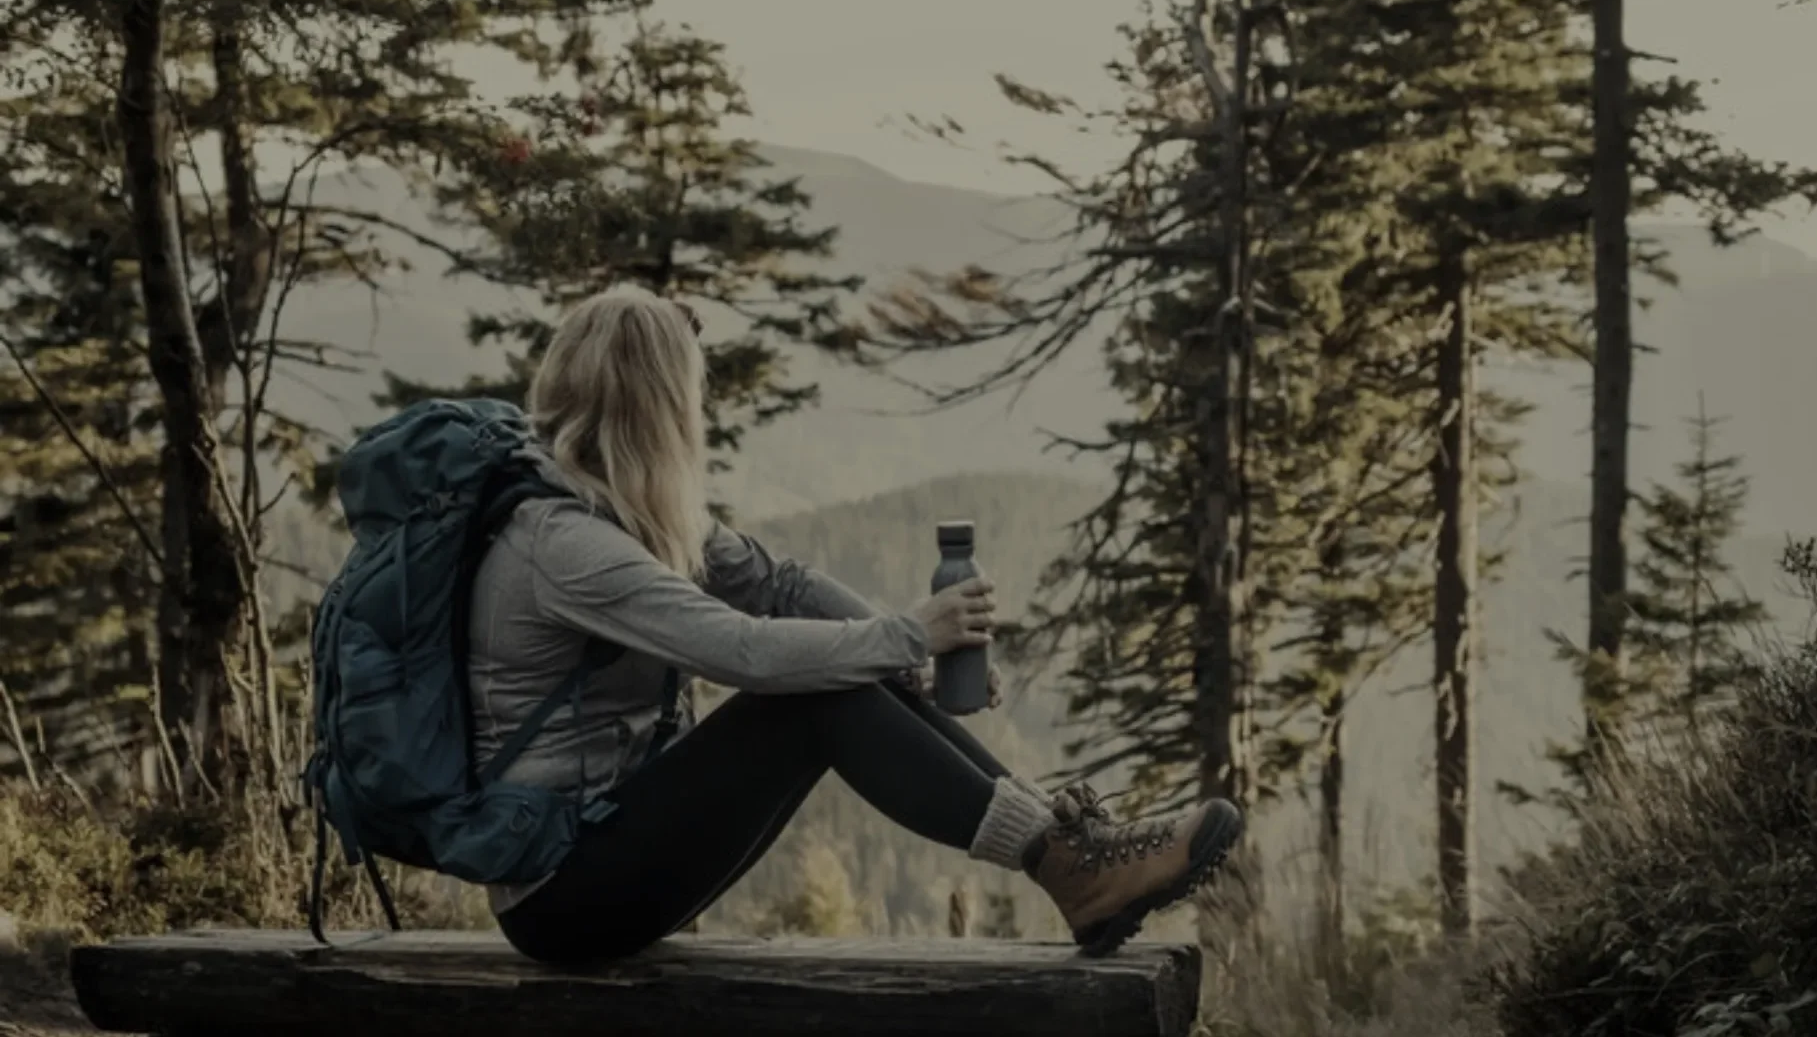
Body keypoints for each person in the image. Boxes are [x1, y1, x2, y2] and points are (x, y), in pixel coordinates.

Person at [466, 286, 1244, 964]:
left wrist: (905, 661)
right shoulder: (563, 545)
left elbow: (783, 584)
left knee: (847, 670)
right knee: (814, 695)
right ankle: (1065, 862)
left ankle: (1073, 852)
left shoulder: (623, 511)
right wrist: (909, 636)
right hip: (561, 894)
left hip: (613, 847)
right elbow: (746, 652)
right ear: (659, 407)